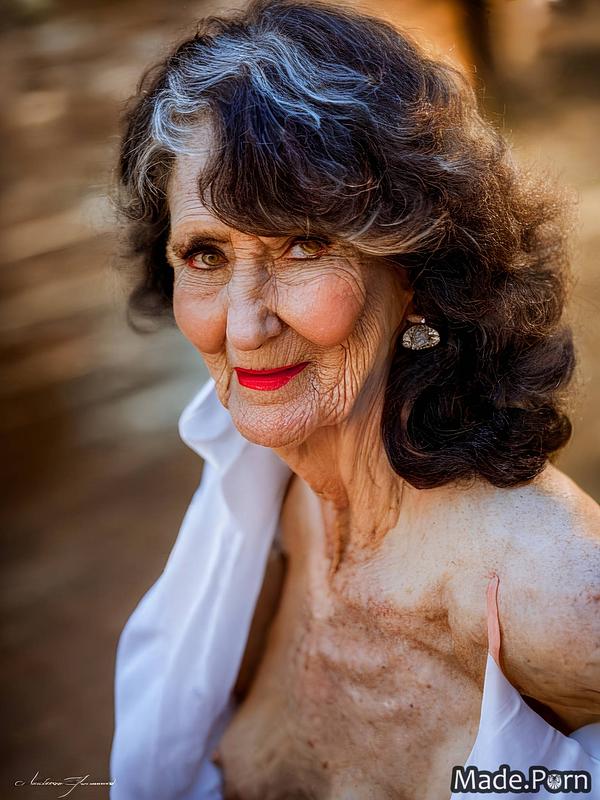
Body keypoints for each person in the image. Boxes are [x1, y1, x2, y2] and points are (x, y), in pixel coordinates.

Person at [109, 0, 600, 797]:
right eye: (205, 254)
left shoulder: (544, 590)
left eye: (304, 245)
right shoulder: (264, 499)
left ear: (418, 272)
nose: (244, 326)